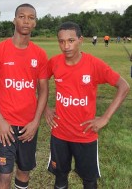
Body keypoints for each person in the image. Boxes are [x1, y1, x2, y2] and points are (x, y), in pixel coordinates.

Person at [45, 21, 130, 189]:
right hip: (60, 134)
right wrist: (46, 109)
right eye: (61, 41)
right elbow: (40, 83)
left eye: (71, 40)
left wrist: (105, 118)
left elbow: (124, 86)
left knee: (89, 181)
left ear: (81, 40)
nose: (66, 46)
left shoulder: (94, 64)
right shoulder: (54, 62)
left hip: (85, 134)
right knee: (60, 177)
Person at [0, 3, 48, 189]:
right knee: (4, 174)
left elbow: (43, 89)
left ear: (35, 23)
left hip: (29, 125)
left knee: (24, 171)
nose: (26, 21)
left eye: (31, 17)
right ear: (14, 20)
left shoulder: (40, 54)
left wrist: (36, 121)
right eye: (22, 16)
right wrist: (0, 120)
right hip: (6, 125)